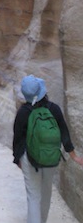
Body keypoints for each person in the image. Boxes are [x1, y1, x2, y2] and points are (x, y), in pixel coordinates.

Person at [13, 75, 83, 223]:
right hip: (50, 157)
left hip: (29, 157)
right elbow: (64, 133)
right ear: (42, 92)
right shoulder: (54, 109)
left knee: (33, 196)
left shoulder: (23, 112)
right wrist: (74, 156)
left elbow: (17, 139)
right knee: (46, 194)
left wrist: (17, 158)